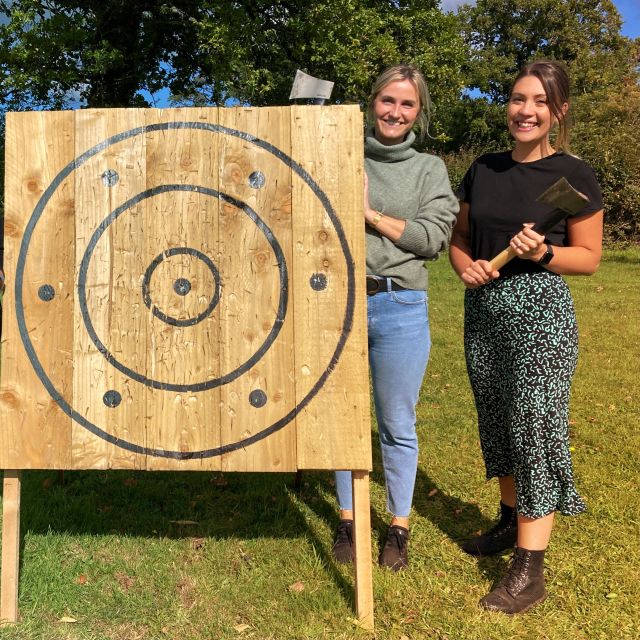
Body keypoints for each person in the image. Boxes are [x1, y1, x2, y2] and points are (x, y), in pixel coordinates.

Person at [450, 60, 603, 613]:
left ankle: (528, 570)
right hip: (484, 309)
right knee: (499, 421)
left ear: (557, 111)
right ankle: (510, 520)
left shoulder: (573, 177)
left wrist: (544, 252)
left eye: (540, 101)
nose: (527, 110)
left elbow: (589, 258)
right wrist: (464, 266)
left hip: (540, 312)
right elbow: (461, 237)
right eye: (518, 99)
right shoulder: (483, 168)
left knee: (534, 426)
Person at [331, 64, 458, 571]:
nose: (395, 112)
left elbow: (432, 240)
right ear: (372, 102)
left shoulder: (430, 170)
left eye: (407, 104)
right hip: (336, 301)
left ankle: (398, 526)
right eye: (388, 101)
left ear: (418, 113)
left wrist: (370, 214)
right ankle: (347, 517)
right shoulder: (341, 152)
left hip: (400, 304)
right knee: (340, 417)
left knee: (396, 424)